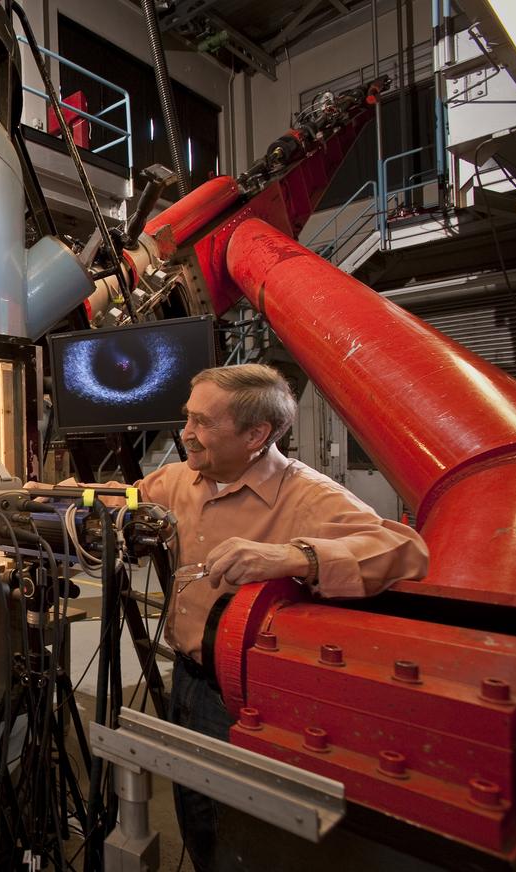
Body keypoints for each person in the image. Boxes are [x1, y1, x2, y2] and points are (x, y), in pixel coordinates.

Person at [48, 363, 429, 872]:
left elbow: (405, 552)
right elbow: (127, 499)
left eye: (203, 422)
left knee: (242, 836)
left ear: (256, 435)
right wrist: (53, 497)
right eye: (187, 417)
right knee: (195, 815)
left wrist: (296, 556)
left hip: (250, 696)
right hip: (186, 677)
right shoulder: (179, 479)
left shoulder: (307, 495)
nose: (186, 433)